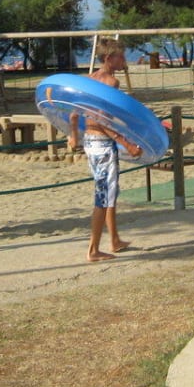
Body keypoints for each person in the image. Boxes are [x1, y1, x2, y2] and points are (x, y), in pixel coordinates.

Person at [69, 38, 142, 262]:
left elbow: (74, 114)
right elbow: (103, 121)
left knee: (110, 193)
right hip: (102, 143)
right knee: (103, 196)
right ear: (108, 58)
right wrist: (127, 143)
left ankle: (115, 240)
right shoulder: (111, 82)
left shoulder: (89, 80)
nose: (124, 60)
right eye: (120, 56)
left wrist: (73, 136)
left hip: (90, 142)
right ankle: (93, 250)